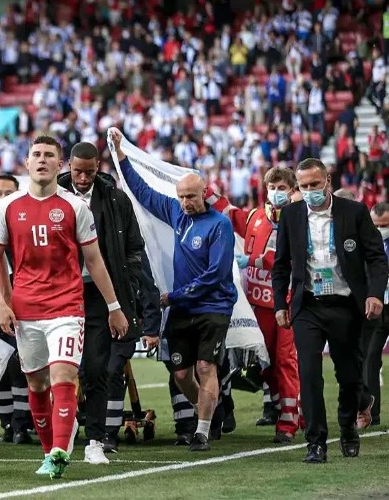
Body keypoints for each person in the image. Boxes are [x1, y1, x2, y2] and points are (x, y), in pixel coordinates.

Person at [0, 135, 129, 479]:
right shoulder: (8, 207)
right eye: (36, 154)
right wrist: (2, 303)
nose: (42, 159)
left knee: (63, 376)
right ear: (27, 163)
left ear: (59, 164)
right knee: (37, 385)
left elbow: (94, 260)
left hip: (67, 307)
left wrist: (113, 305)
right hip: (25, 309)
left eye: (49, 155)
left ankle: (59, 452)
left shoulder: (75, 207)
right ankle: (49, 448)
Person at [110, 127, 237, 452]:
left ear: (204, 193)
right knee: (181, 374)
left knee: (205, 367)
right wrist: (121, 155)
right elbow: (142, 192)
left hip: (213, 307)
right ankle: (210, 410)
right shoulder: (177, 215)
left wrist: (172, 297)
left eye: (191, 196)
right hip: (183, 310)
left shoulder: (220, 225)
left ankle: (202, 432)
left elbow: (215, 275)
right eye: (181, 197)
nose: (185, 202)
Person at [273, 157, 388, 463]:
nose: (310, 190)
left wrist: (375, 294)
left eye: (315, 184)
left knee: (349, 376)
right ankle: (316, 443)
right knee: (309, 373)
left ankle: (348, 427)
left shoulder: (354, 212)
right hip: (308, 306)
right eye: (304, 186)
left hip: (346, 305)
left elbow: (377, 258)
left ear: (327, 181)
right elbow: (281, 265)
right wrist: (279, 305)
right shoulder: (291, 215)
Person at [56, 142, 144, 461]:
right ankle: (60, 436)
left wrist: (126, 286)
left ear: (98, 168)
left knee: (96, 368)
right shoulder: (52, 197)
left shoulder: (116, 199)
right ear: (69, 166)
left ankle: (95, 439)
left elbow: (134, 247)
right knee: (60, 370)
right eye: (78, 172)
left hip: (99, 294)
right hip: (59, 292)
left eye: (89, 172)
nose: (83, 178)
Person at [205, 167, 303, 443]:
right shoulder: (255, 217)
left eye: (282, 187)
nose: (277, 192)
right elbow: (228, 212)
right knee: (266, 364)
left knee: (285, 361)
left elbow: (290, 258)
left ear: (292, 190)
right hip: (258, 304)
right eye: (273, 187)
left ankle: (288, 422)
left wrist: (254, 261)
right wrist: (205, 191)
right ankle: (288, 409)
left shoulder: (299, 219)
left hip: (286, 302)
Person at [0, 173, 35, 445]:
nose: (2, 198)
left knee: (18, 362)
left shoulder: (22, 220)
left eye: (8, 193)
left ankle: (22, 424)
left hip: (21, 294)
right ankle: (6, 423)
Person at [360, 202, 389, 427]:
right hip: (378, 307)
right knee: (370, 357)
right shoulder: (366, 243)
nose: (380, 230)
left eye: (385, 225)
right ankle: (373, 413)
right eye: (376, 225)